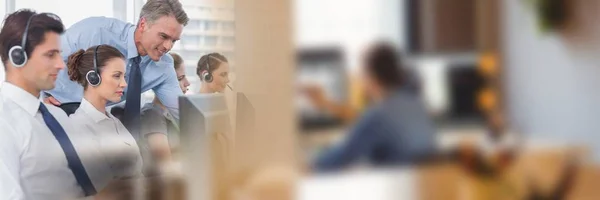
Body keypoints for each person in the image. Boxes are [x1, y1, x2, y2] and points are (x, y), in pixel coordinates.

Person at [0, 9, 129, 200]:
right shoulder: (5, 123)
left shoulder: (57, 117)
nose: (61, 64)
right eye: (50, 55)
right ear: (18, 56)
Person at [43, 0, 189, 139]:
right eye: (163, 36)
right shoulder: (95, 31)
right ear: (143, 24)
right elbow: (38, 60)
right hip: (55, 113)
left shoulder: (163, 67)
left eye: (174, 40)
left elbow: (184, 116)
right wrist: (37, 101)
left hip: (98, 125)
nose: (168, 47)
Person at [310, 42, 437, 172]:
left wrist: (310, 165)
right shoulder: (417, 104)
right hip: (419, 186)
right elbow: (364, 121)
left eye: (361, 72)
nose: (359, 78)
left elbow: (344, 155)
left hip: (397, 187)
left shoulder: (379, 115)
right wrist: (326, 103)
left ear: (371, 76)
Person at [66, 44, 144, 193]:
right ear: (93, 77)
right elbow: (104, 189)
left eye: (124, 76)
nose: (124, 83)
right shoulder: (78, 127)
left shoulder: (114, 121)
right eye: (117, 76)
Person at [140, 52, 189, 175]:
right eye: (180, 78)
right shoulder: (152, 114)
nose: (187, 83)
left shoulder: (173, 114)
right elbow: (166, 165)